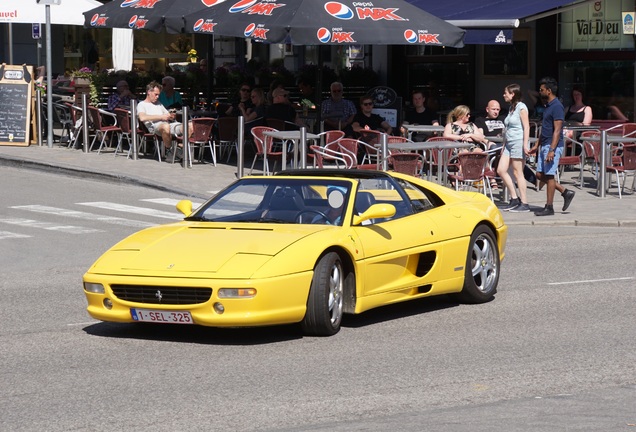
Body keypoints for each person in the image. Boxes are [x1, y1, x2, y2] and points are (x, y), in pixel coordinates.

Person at [531, 77, 575, 216]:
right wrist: (537, 145)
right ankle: (565, 192)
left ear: (548, 91)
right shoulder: (548, 106)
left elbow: (557, 130)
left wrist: (552, 150)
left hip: (552, 145)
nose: (540, 91)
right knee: (539, 174)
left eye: (542, 90)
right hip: (544, 144)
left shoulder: (557, 106)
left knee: (549, 176)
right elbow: (545, 127)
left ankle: (549, 207)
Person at [498, 84, 531, 212]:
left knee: (518, 172)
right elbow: (507, 129)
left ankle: (524, 202)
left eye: (506, 93)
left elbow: (526, 127)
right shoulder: (511, 108)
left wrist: (525, 144)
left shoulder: (521, 108)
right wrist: (504, 144)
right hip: (508, 143)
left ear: (513, 94)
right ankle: (514, 198)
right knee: (501, 170)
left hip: (517, 141)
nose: (504, 95)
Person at [137, 81, 186, 161]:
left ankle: (179, 148)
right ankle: (169, 149)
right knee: (165, 126)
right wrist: (161, 117)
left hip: (169, 124)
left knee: (190, 126)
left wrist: (171, 116)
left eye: (158, 94)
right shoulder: (142, 104)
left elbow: (166, 115)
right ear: (149, 92)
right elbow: (142, 118)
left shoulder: (159, 103)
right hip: (155, 126)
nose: (157, 97)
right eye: (156, 94)